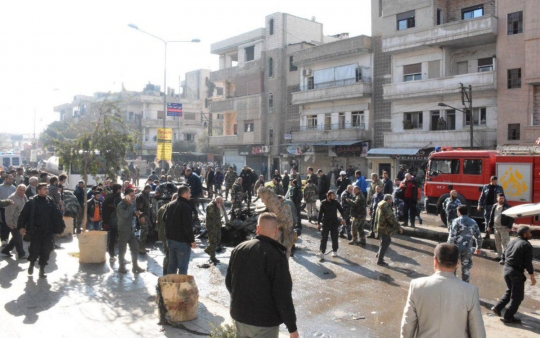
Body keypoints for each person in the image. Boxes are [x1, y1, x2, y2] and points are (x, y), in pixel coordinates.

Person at [225, 213, 298, 338]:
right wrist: (292, 328)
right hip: (265, 323)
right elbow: (283, 295)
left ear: (257, 228)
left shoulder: (239, 249)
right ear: (276, 231)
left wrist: (243, 302)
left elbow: (229, 282)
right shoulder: (277, 256)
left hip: (240, 317)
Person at [400, 243, 486, 338]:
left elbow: (407, 327)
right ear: (457, 263)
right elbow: (478, 333)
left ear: (435, 261)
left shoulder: (416, 286)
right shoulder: (470, 291)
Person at [492, 226, 537, 323]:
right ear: (525, 234)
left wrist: (504, 261)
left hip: (507, 270)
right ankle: (508, 316)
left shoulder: (512, 241)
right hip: (516, 273)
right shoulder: (526, 245)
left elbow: (504, 254)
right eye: (529, 233)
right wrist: (532, 276)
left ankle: (497, 307)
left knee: (510, 291)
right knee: (517, 297)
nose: (531, 234)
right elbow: (528, 263)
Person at [17, 183, 61, 278]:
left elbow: (56, 215)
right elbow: (23, 215)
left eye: (47, 189)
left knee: (46, 251)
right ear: (39, 190)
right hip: (36, 232)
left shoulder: (50, 201)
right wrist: (21, 226)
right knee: (34, 250)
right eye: (44, 189)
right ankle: (32, 264)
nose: (47, 191)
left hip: (48, 232)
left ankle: (42, 269)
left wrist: (59, 228)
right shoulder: (31, 202)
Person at [163, 185, 196, 275]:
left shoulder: (170, 204)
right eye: (189, 193)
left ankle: (170, 286)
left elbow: (164, 219)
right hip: (182, 242)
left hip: (170, 240)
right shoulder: (185, 207)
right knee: (182, 267)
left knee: (172, 265)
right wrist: (192, 241)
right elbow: (188, 226)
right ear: (184, 194)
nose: (190, 195)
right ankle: (181, 287)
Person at [447, 205, 482, 283]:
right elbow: (478, 236)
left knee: (453, 266)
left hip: (455, 249)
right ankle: (465, 285)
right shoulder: (473, 222)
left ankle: (452, 284)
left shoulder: (456, 221)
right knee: (466, 268)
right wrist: (478, 248)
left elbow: (452, 236)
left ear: (459, 212)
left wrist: (448, 248)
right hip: (468, 249)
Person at [116, 188, 145, 274]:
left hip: (131, 229)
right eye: (132, 196)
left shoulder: (130, 204)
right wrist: (130, 206)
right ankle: (121, 267)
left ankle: (135, 266)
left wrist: (135, 214)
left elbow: (130, 214)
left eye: (134, 195)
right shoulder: (121, 205)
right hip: (123, 230)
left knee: (135, 248)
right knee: (122, 250)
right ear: (127, 195)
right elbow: (124, 215)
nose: (133, 197)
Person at [374, 194, 404, 266]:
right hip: (384, 228)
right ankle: (380, 260)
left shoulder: (380, 204)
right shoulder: (386, 206)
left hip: (380, 226)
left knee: (383, 241)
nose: (392, 201)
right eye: (391, 199)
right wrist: (398, 227)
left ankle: (379, 254)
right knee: (386, 242)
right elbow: (391, 218)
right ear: (388, 200)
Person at [317, 191, 346, 260]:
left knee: (334, 237)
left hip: (334, 223)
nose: (334, 197)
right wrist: (318, 223)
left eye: (334, 195)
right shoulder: (323, 203)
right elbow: (320, 214)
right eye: (332, 195)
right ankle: (322, 252)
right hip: (326, 223)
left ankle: (334, 250)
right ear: (328, 196)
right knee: (324, 238)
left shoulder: (336, 202)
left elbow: (341, 210)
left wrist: (343, 218)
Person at [488, 193, 514, 264]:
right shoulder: (495, 206)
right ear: (497, 199)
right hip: (496, 227)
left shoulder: (507, 207)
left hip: (504, 228)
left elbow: (511, 217)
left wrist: (509, 227)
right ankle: (499, 256)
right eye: (500, 198)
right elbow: (491, 216)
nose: (502, 200)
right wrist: (489, 226)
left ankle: (505, 258)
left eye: (503, 198)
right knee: (497, 243)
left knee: (505, 243)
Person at [1, 185, 25, 258]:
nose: (21, 192)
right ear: (17, 190)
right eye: (20, 190)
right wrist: (9, 223)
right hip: (13, 221)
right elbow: (8, 212)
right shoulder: (12, 198)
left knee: (16, 237)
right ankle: (21, 253)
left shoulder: (24, 196)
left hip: (20, 221)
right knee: (18, 237)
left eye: (23, 190)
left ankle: (6, 250)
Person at [478, 175, 504, 240]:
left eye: (496, 181)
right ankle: (487, 234)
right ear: (491, 180)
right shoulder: (486, 187)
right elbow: (482, 197)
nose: (495, 182)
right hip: (487, 206)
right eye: (494, 181)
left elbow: (502, 197)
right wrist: (479, 205)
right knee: (487, 220)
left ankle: (497, 236)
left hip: (496, 206)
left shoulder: (499, 187)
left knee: (496, 220)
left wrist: (503, 205)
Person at [157, 193, 177, 275]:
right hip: (169, 235)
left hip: (165, 235)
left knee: (168, 255)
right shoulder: (171, 209)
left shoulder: (163, 208)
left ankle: (167, 274)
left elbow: (158, 222)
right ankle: (167, 275)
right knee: (170, 256)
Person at [102, 183, 122, 262]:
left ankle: (112, 255)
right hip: (115, 221)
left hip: (109, 221)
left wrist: (105, 221)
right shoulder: (116, 198)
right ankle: (113, 255)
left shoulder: (108, 197)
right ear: (118, 190)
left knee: (112, 239)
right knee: (115, 239)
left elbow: (104, 209)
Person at [205, 196, 223, 264]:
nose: (221, 204)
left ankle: (208, 249)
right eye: (220, 203)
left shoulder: (216, 206)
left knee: (218, 239)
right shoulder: (211, 206)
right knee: (213, 241)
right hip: (212, 227)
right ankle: (212, 257)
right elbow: (214, 217)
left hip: (217, 226)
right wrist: (218, 209)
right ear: (217, 201)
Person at [135, 185, 152, 254]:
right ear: (147, 189)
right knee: (144, 232)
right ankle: (140, 247)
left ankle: (142, 246)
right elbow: (139, 208)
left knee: (145, 231)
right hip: (143, 216)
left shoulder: (145, 195)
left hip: (146, 215)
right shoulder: (141, 196)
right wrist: (141, 216)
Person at [0, 173, 16, 246]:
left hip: (11, 209)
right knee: (4, 224)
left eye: (12, 179)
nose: (10, 180)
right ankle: (3, 239)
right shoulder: (0, 187)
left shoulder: (13, 188)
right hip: (2, 208)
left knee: (10, 224)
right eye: (9, 178)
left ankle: (7, 238)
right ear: (5, 179)